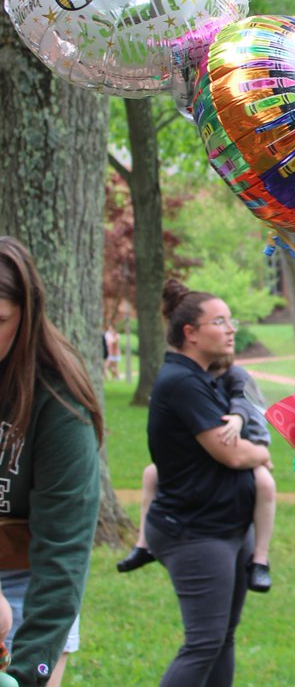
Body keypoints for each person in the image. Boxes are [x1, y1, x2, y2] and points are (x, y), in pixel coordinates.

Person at [145, 280, 271, 686]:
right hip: (196, 533)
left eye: (230, 320)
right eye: (219, 321)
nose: (231, 328)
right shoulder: (182, 383)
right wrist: (262, 455)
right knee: (203, 643)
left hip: (228, 527)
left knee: (222, 639)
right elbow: (233, 453)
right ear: (191, 333)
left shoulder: (203, 379)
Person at [0, 237, 103, 687]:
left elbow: (62, 552)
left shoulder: (60, 405)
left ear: (27, 316)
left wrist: (27, 674)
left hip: (34, 585)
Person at [116, 354, 277, 593]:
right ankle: (143, 545)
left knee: (265, 485)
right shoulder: (192, 379)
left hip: (249, 442)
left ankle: (260, 560)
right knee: (151, 474)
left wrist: (238, 418)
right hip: (212, 450)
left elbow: (243, 401)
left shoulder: (236, 375)